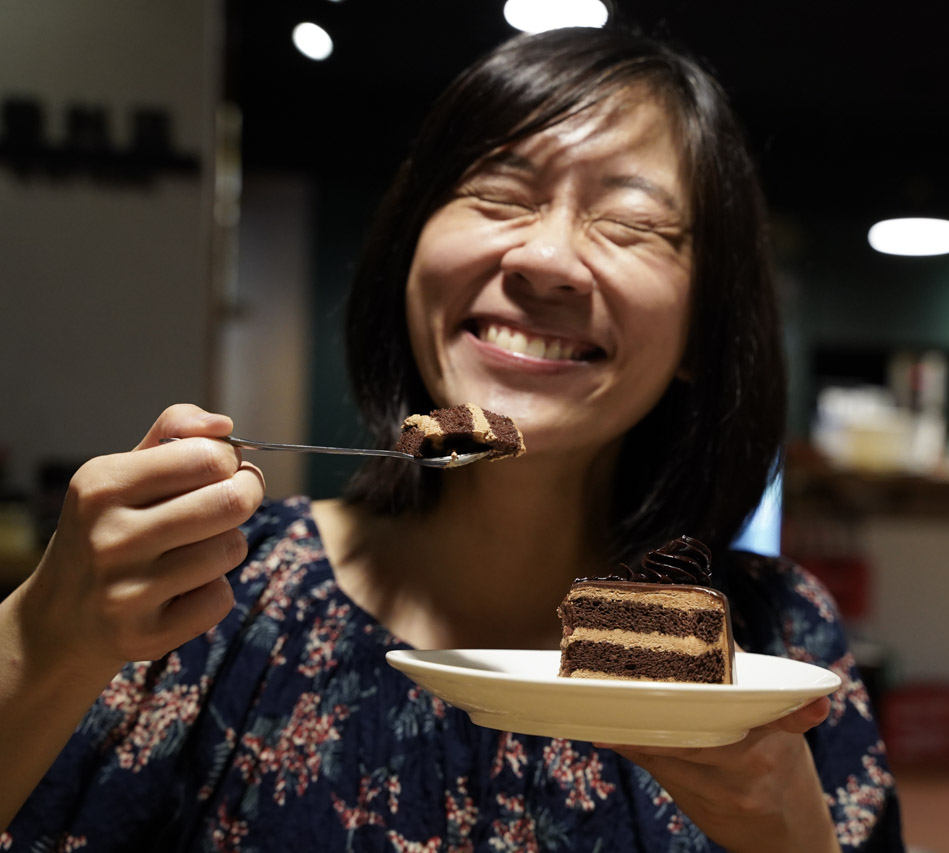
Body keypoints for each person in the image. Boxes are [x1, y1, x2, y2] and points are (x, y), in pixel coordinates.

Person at [0, 27, 902, 852]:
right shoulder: (209, 594)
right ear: (409, 255)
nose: (546, 260)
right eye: (499, 194)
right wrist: (42, 640)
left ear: (705, 336)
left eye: (629, 222)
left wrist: (793, 839)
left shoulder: (775, 641)